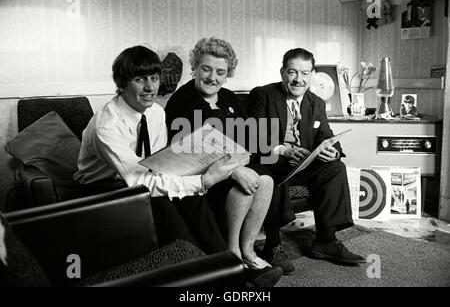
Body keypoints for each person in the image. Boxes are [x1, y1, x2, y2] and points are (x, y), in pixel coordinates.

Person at [74, 45, 239, 257]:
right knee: (164, 202)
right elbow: (140, 182)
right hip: (101, 191)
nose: (150, 87)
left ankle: (228, 265)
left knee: (191, 197)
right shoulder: (106, 126)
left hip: (139, 180)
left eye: (154, 78)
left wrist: (195, 182)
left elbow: (161, 166)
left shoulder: (156, 113)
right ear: (122, 84)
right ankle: (195, 269)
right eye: (139, 79)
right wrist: (204, 181)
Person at [164, 37, 285, 284]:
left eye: (221, 72)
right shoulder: (181, 101)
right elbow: (191, 154)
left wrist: (242, 164)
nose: (212, 77)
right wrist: (234, 171)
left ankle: (249, 249)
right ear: (195, 67)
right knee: (243, 184)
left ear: (227, 74)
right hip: (199, 175)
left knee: (265, 178)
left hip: (230, 164)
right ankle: (233, 254)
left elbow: (245, 142)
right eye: (206, 69)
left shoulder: (229, 99)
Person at [247, 48, 366, 266]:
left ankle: (326, 241)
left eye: (304, 73)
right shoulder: (262, 95)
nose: (298, 79)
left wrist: (333, 151)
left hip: (303, 167)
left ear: (312, 74)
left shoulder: (316, 103)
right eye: (292, 72)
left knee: (335, 167)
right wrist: (283, 150)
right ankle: (273, 246)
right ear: (283, 71)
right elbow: (256, 138)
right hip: (274, 162)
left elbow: (326, 135)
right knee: (272, 165)